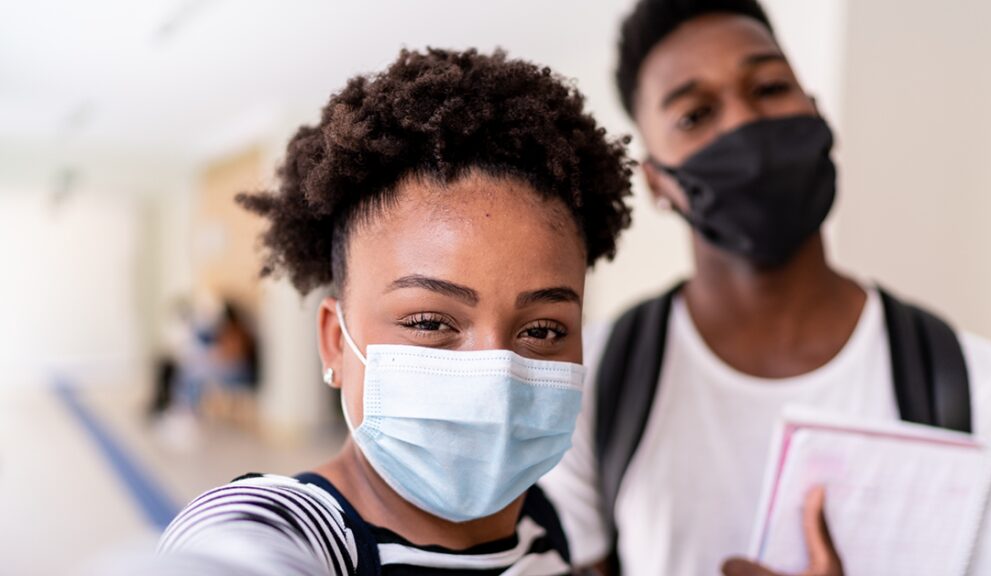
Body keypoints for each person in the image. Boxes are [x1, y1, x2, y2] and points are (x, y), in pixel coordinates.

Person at [539, 1, 991, 575]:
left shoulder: (979, 390)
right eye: (695, 115)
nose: (745, 123)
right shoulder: (589, 384)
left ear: (818, 114)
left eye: (770, 86)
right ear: (656, 182)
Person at [153, 47, 634, 575]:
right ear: (336, 341)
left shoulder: (545, 523)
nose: (497, 374)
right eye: (430, 322)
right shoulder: (288, 531)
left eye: (543, 329)